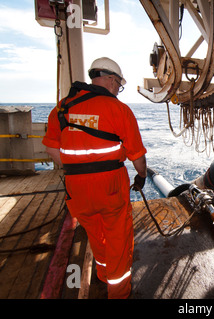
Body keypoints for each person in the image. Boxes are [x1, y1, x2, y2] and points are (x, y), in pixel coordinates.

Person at [43, 57, 147, 298]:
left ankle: (102, 275)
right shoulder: (118, 109)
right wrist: (141, 177)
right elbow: (137, 157)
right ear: (111, 80)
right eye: (119, 85)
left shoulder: (61, 108)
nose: (117, 90)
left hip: (76, 191)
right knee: (117, 240)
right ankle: (118, 292)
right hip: (110, 188)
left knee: (96, 234)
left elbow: (51, 149)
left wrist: (76, 169)